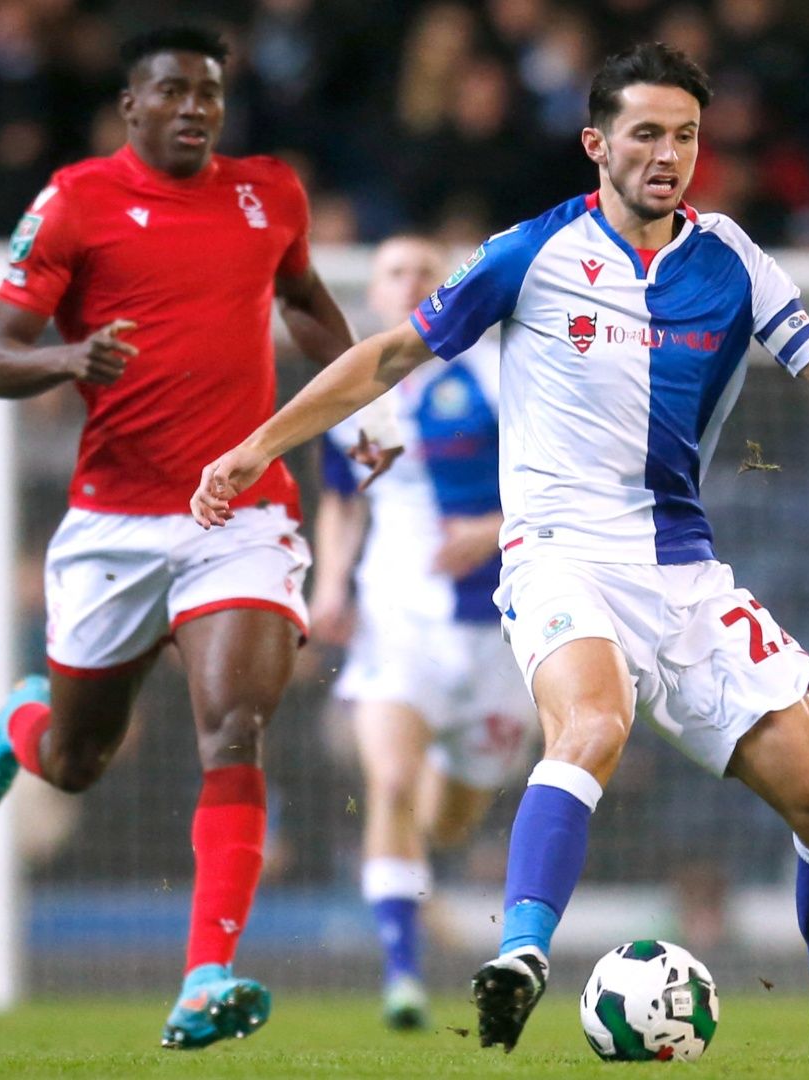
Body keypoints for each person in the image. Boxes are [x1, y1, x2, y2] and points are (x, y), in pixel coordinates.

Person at [192, 42, 809, 1058]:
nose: (668, 154)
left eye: (685, 136)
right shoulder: (531, 253)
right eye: (646, 133)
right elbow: (387, 357)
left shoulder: (732, 259)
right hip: (558, 553)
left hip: (684, 574)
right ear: (597, 142)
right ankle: (520, 953)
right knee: (592, 721)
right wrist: (256, 447)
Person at [0, 26, 376, 1050]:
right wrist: (69, 358)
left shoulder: (269, 194)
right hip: (112, 522)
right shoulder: (74, 200)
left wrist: (360, 411)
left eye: (210, 94)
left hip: (241, 511)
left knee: (234, 726)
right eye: (173, 91)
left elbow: (308, 303)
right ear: (129, 106)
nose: (194, 108)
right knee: (77, 757)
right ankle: (23, 726)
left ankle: (204, 979)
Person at [309, 234, 538, 1030]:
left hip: (500, 631)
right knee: (393, 787)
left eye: (426, 273)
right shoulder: (359, 396)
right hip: (397, 616)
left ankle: (417, 883)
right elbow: (344, 498)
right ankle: (402, 977)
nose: (410, 283)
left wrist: (491, 528)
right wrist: (330, 581)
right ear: (374, 295)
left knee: (447, 820)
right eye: (394, 274)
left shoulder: (504, 377)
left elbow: (564, 489)